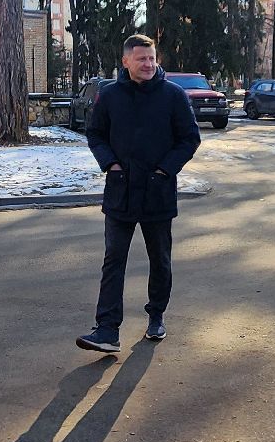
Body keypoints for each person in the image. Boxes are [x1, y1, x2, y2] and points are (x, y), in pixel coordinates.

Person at [79, 34, 201, 354]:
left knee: (159, 260)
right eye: (141, 58)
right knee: (113, 260)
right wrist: (112, 166)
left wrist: (164, 171)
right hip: (120, 193)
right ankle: (107, 329)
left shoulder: (173, 96)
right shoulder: (110, 95)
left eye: (152, 58)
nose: (148, 64)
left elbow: (189, 139)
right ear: (126, 61)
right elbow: (95, 134)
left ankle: (156, 314)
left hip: (157, 193)